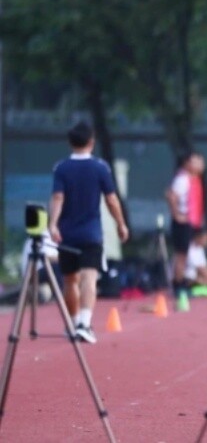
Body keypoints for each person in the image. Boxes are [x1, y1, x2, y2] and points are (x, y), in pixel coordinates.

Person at [48, 121, 129, 344]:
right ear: (92, 142)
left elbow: (57, 197)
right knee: (89, 277)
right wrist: (121, 224)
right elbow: (111, 200)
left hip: (67, 233)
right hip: (91, 233)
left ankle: (73, 324)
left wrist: (53, 224)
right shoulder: (100, 167)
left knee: (70, 280)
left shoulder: (61, 168)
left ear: (69, 142)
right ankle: (84, 324)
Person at [165, 153, 196, 297]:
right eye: (193, 161)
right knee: (181, 254)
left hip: (187, 219)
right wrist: (177, 214)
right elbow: (171, 196)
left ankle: (180, 281)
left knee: (183, 254)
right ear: (186, 163)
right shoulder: (182, 179)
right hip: (181, 221)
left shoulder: (188, 178)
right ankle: (178, 284)